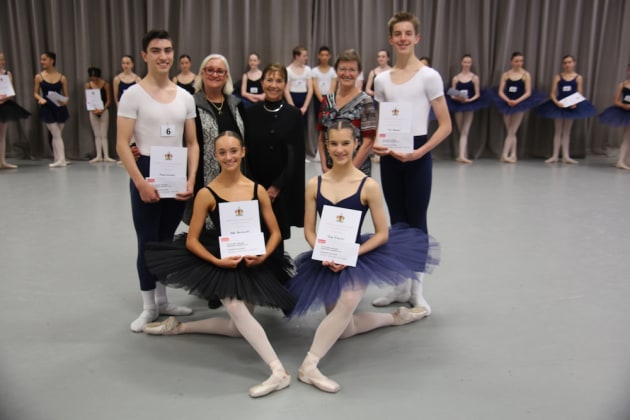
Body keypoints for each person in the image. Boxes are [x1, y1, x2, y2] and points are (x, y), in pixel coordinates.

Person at [142, 131, 295, 398]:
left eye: (234, 151)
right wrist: (216, 261)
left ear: (243, 152)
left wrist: (263, 255)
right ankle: (277, 371)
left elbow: (275, 233)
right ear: (215, 155)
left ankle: (179, 327)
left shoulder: (257, 190)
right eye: (223, 152)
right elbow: (192, 241)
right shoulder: (207, 193)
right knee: (235, 306)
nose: (229, 157)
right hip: (221, 257)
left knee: (238, 328)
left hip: (252, 258)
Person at [289, 120, 436, 393]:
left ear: (356, 144)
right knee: (344, 329)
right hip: (326, 256)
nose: (340, 149)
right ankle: (397, 317)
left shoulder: (368, 186)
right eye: (334, 143)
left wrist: (351, 254)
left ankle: (309, 366)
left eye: (346, 143)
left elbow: (382, 234)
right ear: (326, 146)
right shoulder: (315, 183)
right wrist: (321, 251)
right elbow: (310, 230)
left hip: (357, 255)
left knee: (347, 301)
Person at [116, 29, 200, 333]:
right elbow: (122, 144)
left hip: (175, 173)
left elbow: (192, 143)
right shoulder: (133, 95)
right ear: (144, 56)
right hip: (147, 171)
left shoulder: (185, 97)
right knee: (147, 242)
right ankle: (149, 306)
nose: (163, 56)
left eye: (167, 50)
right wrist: (139, 182)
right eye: (156, 50)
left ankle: (163, 300)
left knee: (166, 241)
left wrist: (190, 179)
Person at [371, 12, 452, 312]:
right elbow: (383, 121)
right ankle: (399, 285)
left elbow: (445, 125)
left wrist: (421, 152)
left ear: (416, 38)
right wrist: (380, 145)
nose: (403, 38)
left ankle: (417, 289)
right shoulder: (381, 80)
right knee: (397, 221)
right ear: (391, 39)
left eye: (409, 33)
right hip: (392, 154)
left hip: (417, 152)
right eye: (398, 34)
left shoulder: (429, 77)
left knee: (417, 222)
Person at [243, 63, 305, 241]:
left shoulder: (293, 115)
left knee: (277, 239)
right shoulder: (249, 113)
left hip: (282, 190)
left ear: (285, 84)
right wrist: (257, 187)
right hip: (253, 187)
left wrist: (276, 187)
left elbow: (296, 155)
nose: (273, 85)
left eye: (279, 80)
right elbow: (244, 151)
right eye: (269, 80)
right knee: (254, 239)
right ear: (262, 83)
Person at [186, 53, 245, 224]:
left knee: (235, 225)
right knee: (206, 228)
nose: (215, 74)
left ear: (226, 76)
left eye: (220, 71)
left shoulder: (236, 104)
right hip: (202, 177)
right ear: (202, 73)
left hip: (235, 176)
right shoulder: (191, 104)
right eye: (210, 70)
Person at [317, 49, 376, 176]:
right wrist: (323, 165)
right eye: (342, 69)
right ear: (336, 71)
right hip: (330, 171)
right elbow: (322, 138)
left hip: (357, 172)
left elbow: (369, 141)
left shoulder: (366, 101)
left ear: (358, 72)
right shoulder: (327, 101)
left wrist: (349, 171)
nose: (347, 74)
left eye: (352, 70)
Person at [536, 55, 596, 164]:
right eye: (565, 62)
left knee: (567, 132)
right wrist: (556, 102)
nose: (567, 64)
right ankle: (554, 155)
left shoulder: (578, 77)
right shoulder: (558, 77)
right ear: (563, 64)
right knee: (558, 131)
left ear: (574, 63)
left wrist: (575, 102)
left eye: (569, 62)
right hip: (559, 105)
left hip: (571, 104)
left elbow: (579, 92)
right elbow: (552, 93)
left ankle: (566, 156)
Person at [490, 52, 546, 163]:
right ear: (511, 62)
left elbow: (528, 92)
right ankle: (513, 155)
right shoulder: (506, 75)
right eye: (516, 61)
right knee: (510, 131)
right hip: (506, 103)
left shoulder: (526, 75)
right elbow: (501, 91)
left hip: (520, 104)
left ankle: (504, 154)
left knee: (512, 130)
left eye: (521, 61)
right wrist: (507, 100)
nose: (519, 63)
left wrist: (517, 101)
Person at [447, 54, 489, 163]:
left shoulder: (474, 78)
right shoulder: (456, 78)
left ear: (471, 63)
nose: (466, 64)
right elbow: (452, 93)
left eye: (468, 62)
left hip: (469, 105)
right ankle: (463, 153)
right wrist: (458, 97)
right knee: (461, 130)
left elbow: (477, 94)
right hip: (458, 105)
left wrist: (469, 100)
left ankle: (462, 156)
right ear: (461, 63)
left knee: (465, 130)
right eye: (465, 62)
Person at [33, 51, 69, 167]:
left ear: (52, 60)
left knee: (57, 135)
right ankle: (61, 160)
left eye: (44, 59)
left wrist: (64, 100)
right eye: (41, 59)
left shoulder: (62, 77)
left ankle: (57, 158)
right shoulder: (39, 77)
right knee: (56, 133)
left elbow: (66, 96)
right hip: (47, 107)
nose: (41, 62)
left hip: (59, 107)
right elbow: (35, 93)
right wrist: (40, 99)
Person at [0, 51, 30, 169]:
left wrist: (4, 98)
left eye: (3, 59)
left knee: (2, 135)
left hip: (5, 105)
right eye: (0, 59)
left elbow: (11, 91)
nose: (2, 62)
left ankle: (2, 161)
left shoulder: (7, 74)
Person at [284, 46, 314, 157]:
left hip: (304, 100)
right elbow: (286, 90)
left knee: (302, 129)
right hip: (292, 99)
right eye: (304, 55)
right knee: (291, 128)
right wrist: (293, 107)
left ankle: (301, 154)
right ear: (297, 56)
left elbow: (310, 89)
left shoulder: (307, 70)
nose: (306, 58)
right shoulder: (288, 70)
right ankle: (291, 154)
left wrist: (305, 106)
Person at [599, 64, 630, 170]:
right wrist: (624, 105)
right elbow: (616, 101)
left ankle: (626, 159)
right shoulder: (622, 84)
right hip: (624, 112)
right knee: (626, 137)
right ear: (627, 71)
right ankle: (621, 161)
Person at [84, 67, 115, 163]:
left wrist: (103, 109)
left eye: (96, 78)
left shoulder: (105, 85)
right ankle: (98, 155)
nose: (94, 80)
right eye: (92, 79)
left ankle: (106, 155)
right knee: (97, 134)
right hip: (93, 111)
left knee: (104, 134)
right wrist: (92, 109)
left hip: (103, 111)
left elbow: (109, 100)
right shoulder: (88, 85)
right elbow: (87, 100)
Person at [311, 46, 337, 122]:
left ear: (329, 56)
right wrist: (322, 101)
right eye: (322, 55)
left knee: (330, 120)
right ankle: (320, 134)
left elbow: (333, 88)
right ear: (318, 56)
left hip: (330, 98)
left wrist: (327, 102)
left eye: (326, 55)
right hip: (318, 98)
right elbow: (315, 88)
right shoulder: (314, 71)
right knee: (319, 120)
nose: (324, 57)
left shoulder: (333, 71)